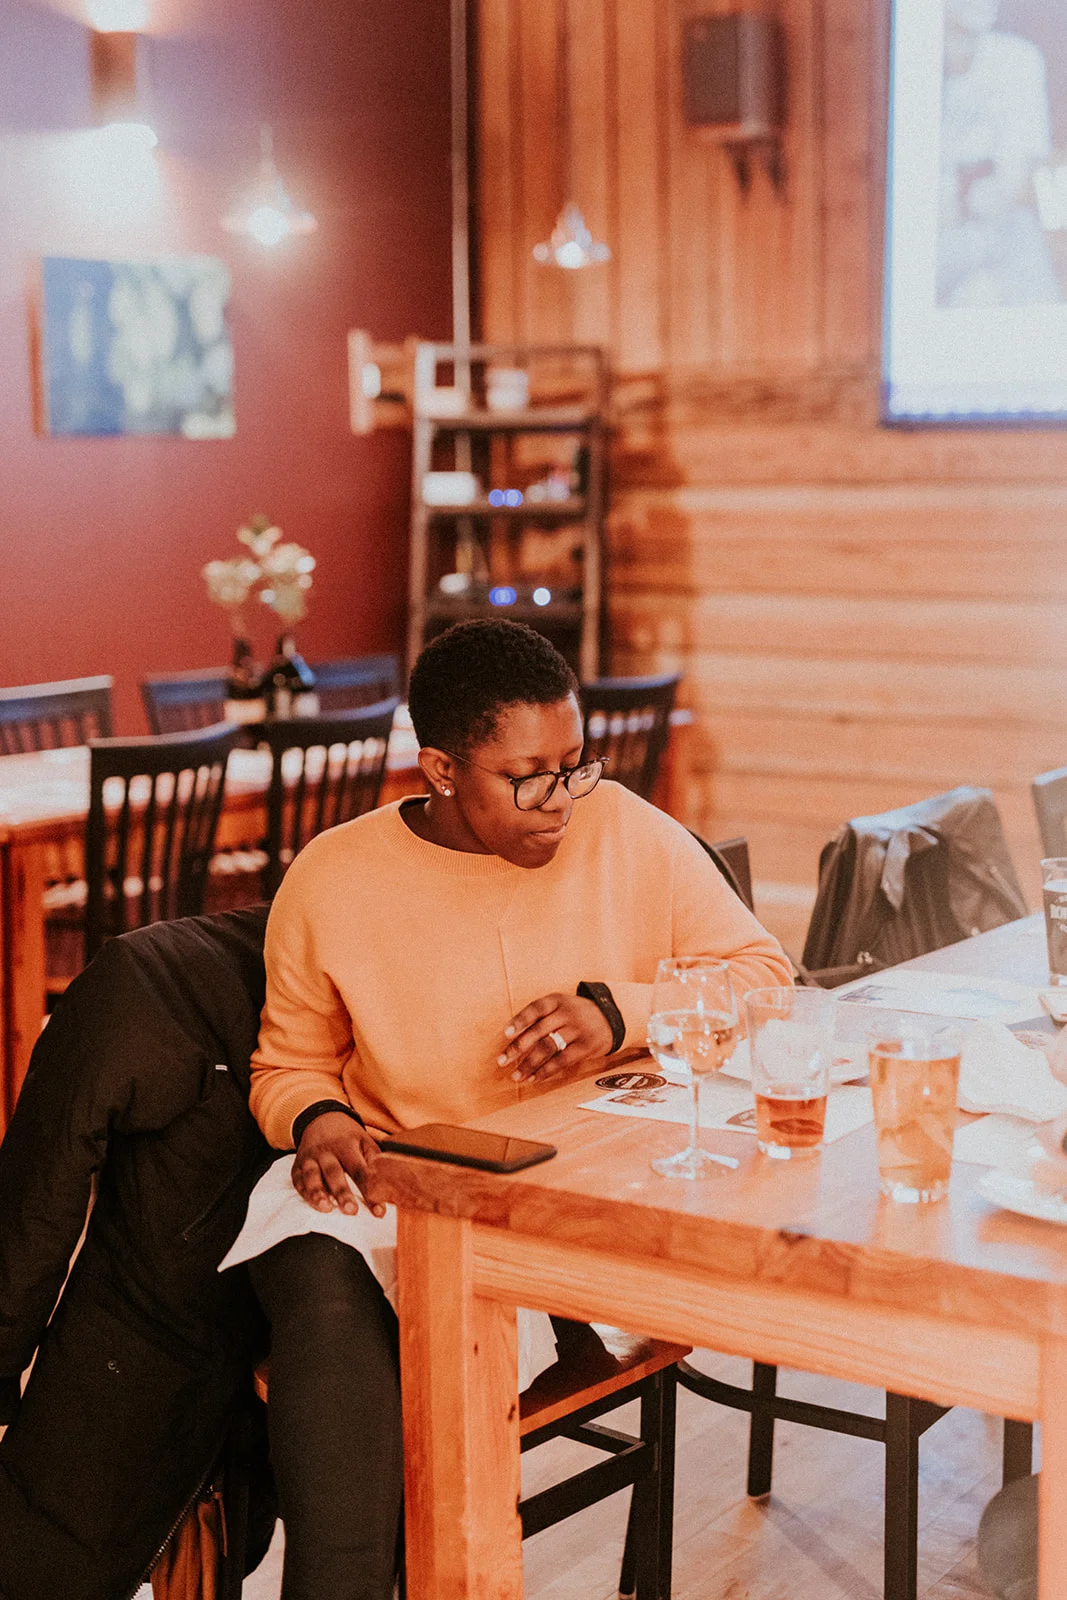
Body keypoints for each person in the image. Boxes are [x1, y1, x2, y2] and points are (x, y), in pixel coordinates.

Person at [246, 618, 792, 1600]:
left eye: (574, 766)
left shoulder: (624, 828)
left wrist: (617, 1013)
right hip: (379, 1186)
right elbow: (286, 1063)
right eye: (528, 776)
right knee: (325, 1305)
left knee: (380, 1376)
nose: (561, 802)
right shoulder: (331, 875)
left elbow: (763, 977)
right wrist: (315, 1118)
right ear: (441, 769)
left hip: (554, 1204)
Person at [938, 0, 1060, 306]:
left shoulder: (1018, 60)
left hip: (1002, 238)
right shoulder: (904, 60)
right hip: (934, 245)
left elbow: (1014, 181)